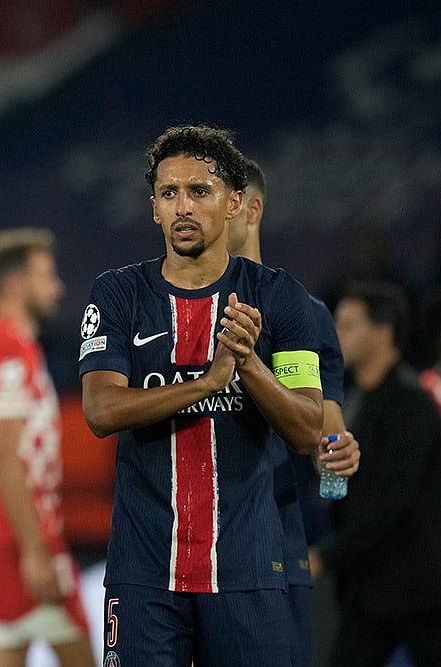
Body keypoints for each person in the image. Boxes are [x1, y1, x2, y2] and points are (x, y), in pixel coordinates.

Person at [78, 125, 324, 665]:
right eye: (170, 194)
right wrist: (209, 383)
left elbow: (308, 429)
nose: (183, 207)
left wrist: (247, 363)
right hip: (144, 575)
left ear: (234, 204)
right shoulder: (116, 293)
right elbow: (100, 410)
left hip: (248, 570)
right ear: (154, 209)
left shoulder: (280, 298)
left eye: (199, 191)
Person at [225, 157, 360, 666]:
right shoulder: (173, 306)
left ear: (251, 209)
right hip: (184, 555)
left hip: (277, 547)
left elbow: (330, 453)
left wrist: (335, 467)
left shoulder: (305, 315)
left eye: (223, 201)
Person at [0, 228, 96, 666]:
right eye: (46, 276)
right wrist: (35, 548)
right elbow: (6, 457)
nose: (57, 288)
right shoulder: (9, 347)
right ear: (16, 285)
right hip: (17, 535)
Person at [309, 281, 441, 667]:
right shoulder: (354, 399)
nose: (336, 335)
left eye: (349, 325)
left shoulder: (411, 404)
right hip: (372, 588)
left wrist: (326, 556)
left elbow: (390, 502)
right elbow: (341, 485)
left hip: (420, 589)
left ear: (383, 333)